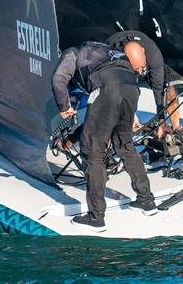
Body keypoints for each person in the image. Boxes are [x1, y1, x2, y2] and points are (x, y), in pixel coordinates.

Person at [52, 41, 157, 232]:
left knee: (92, 153)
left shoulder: (72, 52)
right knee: (125, 146)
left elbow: (58, 79)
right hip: (131, 88)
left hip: (107, 87)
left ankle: (96, 218)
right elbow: (102, 120)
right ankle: (146, 201)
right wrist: (73, 137)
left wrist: (63, 106)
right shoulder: (107, 51)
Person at [106, 30, 170, 137]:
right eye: (136, 69)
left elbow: (159, 90)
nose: (140, 72)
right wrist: (131, 115)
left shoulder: (154, 56)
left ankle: (175, 127)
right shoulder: (113, 58)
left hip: (143, 53)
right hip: (115, 57)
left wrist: (162, 120)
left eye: (141, 67)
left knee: (166, 85)